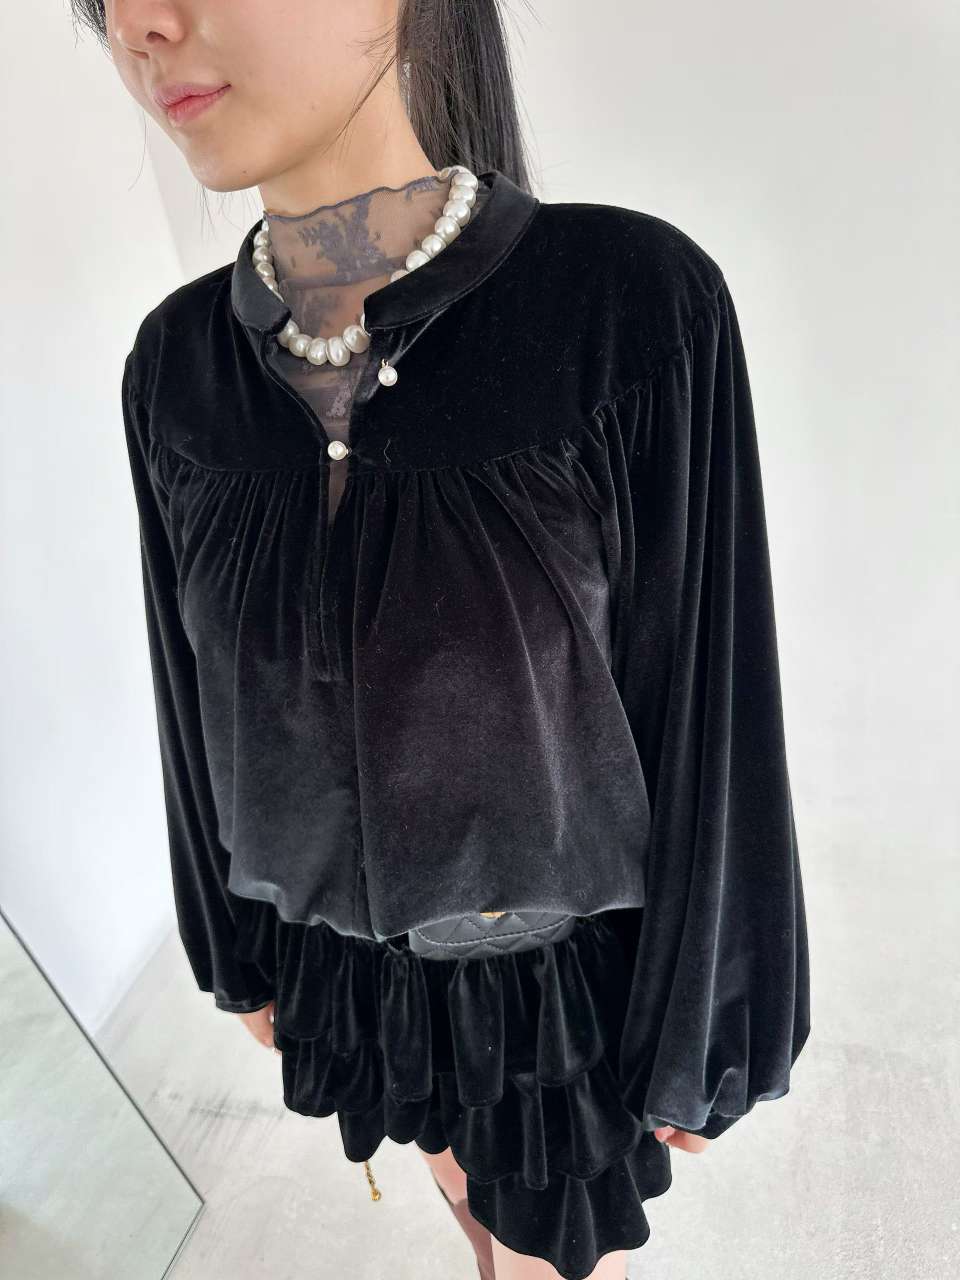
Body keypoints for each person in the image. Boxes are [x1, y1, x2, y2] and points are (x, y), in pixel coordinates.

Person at [79, 1, 811, 1277]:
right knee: (465, 1205)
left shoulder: (627, 306)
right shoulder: (176, 370)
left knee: (545, 1256)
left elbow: (712, 698)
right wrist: (233, 945)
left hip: (555, 997)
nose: (139, 22)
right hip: (343, 972)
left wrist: (716, 1018)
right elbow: (188, 693)